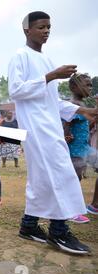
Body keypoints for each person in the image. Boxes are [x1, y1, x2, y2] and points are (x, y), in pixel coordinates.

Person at [8, 11, 98, 255]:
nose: (46, 31)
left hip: (50, 126)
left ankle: (28, 226)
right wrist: (52, 76)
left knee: (41, 179)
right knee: (63, 174)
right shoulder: (20, 56)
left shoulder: (46, 60)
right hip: (37, 128)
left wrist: (82, 110)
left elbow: (53, 100)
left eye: (49, 27)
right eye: (40, 27)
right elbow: (15, 90)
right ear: (27, 30)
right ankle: (59, 232)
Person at [62, 73, 93, 224]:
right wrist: (66, 134)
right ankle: (69, 211)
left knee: (77, 177)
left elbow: (87, 123)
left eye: (91, 84)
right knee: (73, 179)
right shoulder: (73, 104)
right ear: (74, 87)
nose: (90, 87)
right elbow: (67, 122)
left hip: (82, 147)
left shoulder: (83, 104)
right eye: (87, 85)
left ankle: (70, 208)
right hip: (73, 149)